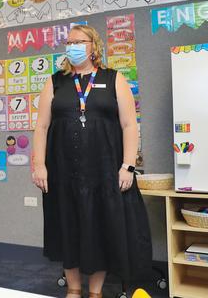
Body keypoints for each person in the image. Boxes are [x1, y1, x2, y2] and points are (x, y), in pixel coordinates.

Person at [32, 25, 152, 298]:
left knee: (100, 226)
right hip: (63, 171)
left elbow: (129, 125)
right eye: (69, 41)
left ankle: (96, 292)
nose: (73, 45)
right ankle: (74, 289)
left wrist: (128, 166)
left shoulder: (113, 79)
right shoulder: (55, 82)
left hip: (104, 170)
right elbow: (40, 127)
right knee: (68, 225)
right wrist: (40, 165)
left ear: (93, 46)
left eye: (79, 41)